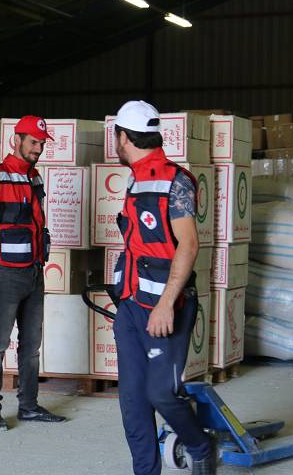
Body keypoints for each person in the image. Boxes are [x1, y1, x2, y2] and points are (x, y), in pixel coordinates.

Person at [110, 101, 216, 474]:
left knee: (160, 394)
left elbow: (188, 244)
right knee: (133, 402)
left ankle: (201, 446)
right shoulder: (135, 177)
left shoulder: (176, 180)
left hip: (166, 307)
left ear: (122, 137)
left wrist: (166, 303)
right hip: (132, 306)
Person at [0, 115, 66, 431]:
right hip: (8, 275)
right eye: (33, 142)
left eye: (42, 143)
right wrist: (4, 245)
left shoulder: (36, 177)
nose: (38, 149)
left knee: (31, 347)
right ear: (17, 140)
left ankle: (28, 406)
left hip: (35, 273)